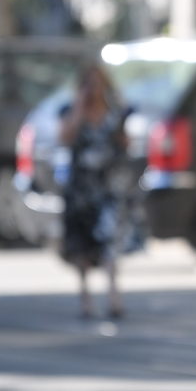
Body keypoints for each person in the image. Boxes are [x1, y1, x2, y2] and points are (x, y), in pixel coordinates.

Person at [58, 63, 143, 318]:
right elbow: (63, 138)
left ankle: (114, 297)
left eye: (98, 83)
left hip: (109, 187)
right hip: (81, 189)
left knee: (110, 240)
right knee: (82, 244)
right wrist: (78, 110)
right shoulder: (71, 111)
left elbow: (127, 144)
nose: (94, 89)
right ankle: (85, 298)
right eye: (89, 83)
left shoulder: (115, 112)